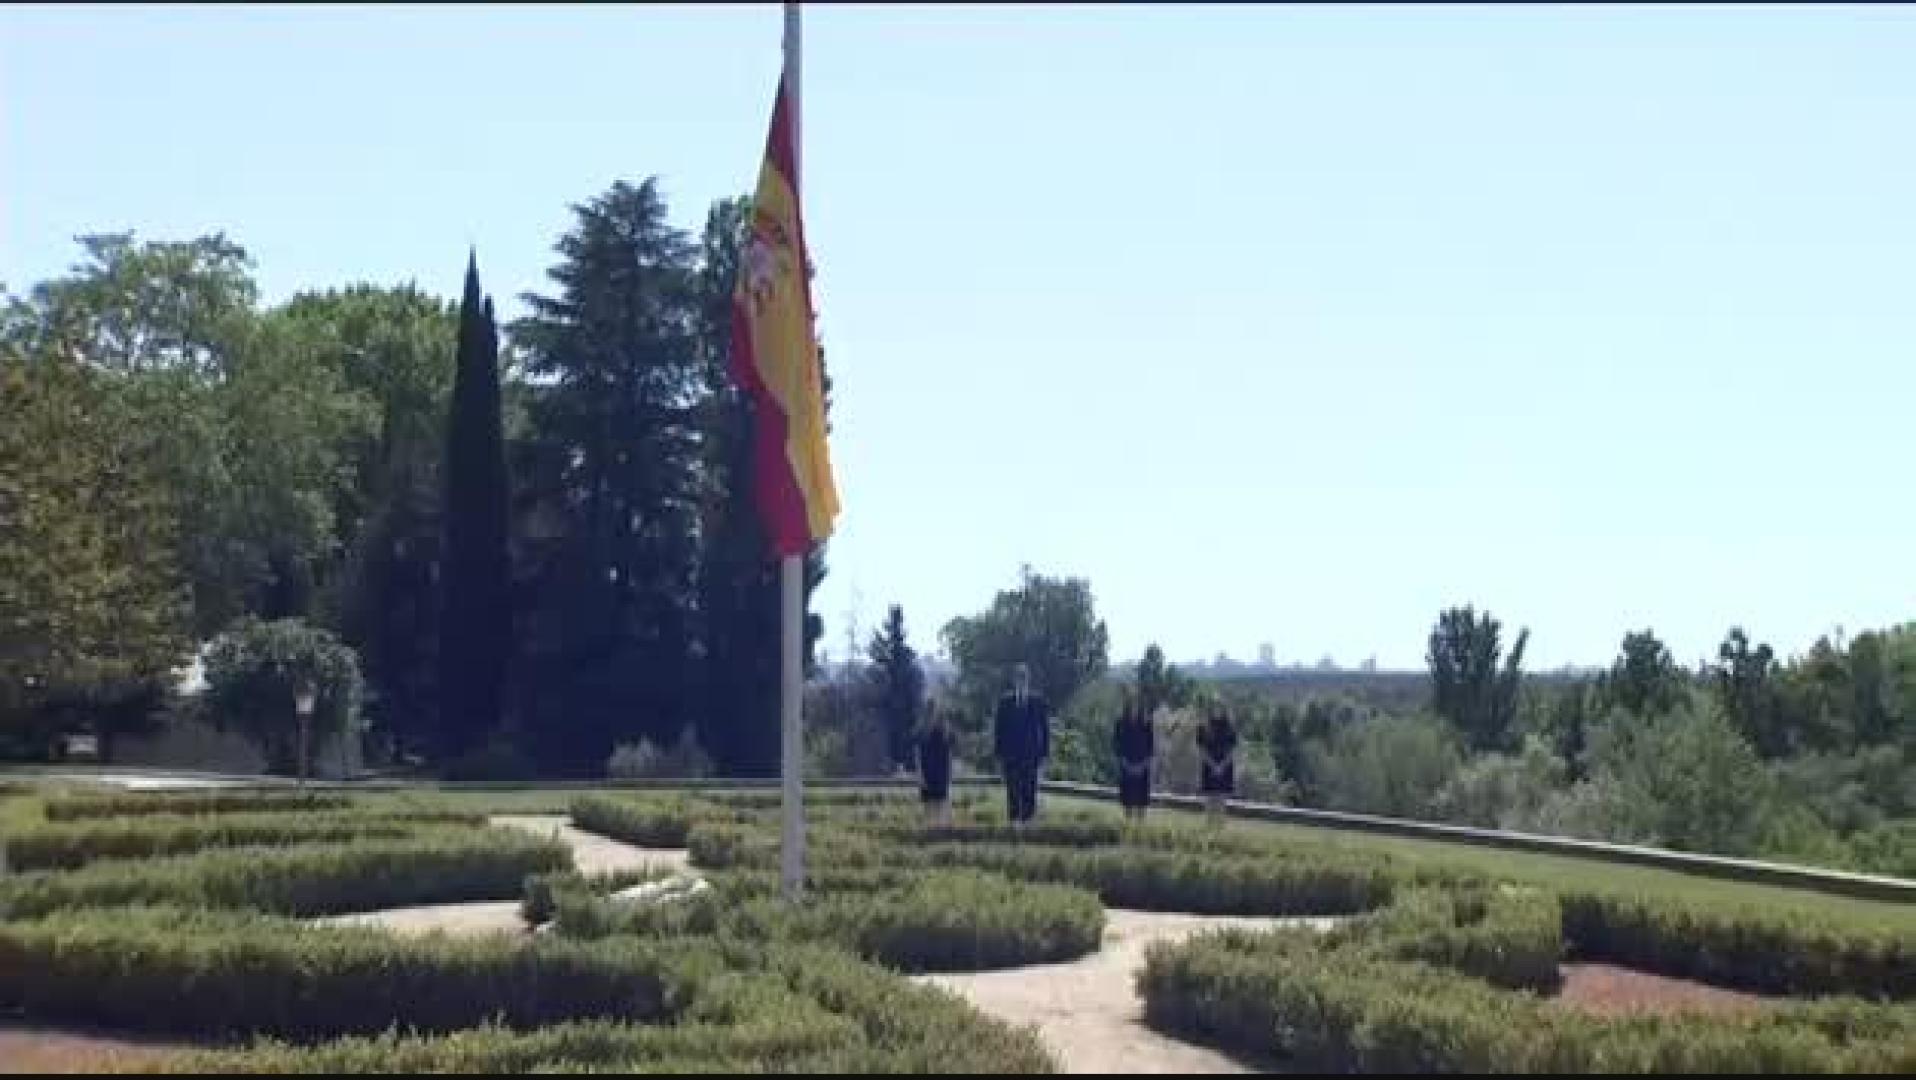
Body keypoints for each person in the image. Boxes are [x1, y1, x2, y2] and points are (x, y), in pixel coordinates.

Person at [993, 663, 1050, 830]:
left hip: (1031, 755)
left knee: (1029, 790)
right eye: (1018, 677)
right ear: (1014, 680)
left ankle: (1028, 823)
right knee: (1012, 790)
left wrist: (1045, 755)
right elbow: (998, 731)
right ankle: (1014, 825)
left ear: (1028, 680)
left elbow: (1045, 730)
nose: (1021, 681)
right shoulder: (1005, 702)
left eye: (1024, 677)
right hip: (1010, 755)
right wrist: (998, 755)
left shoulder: (1037, 701)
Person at [1113, 688, 1154, 825]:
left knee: (1141, 801)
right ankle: (1128, 827)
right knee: (1128, 800)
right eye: (1132, 702)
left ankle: (1140, 830)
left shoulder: (1147, 722)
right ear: (1128, 704)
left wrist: (1143, 765)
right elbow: (1117, 745)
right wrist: (1126, 764)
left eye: (1137, 702)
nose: (1135, 705)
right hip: (1126, 765)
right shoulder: (1120, 722)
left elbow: (1150, 747)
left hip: (1143, 766)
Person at [1196, 700, 1238, 826]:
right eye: (1215, 707)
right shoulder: (1203, 726)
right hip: (1209, 766)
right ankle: (1209, 826)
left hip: (1225, 767)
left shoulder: (1230, 726)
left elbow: (1233, 750)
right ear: (1211, 709)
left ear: (1224, 708)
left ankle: (1220, 828)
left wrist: (1222, 766)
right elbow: (1201, 749)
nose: (1217, 709)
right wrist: (1213, 765)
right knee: (1210, 798)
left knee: (1221, 799)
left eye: (1220, 707)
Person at [917, 700, 953, 828]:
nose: (933, 715)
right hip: (927, 772)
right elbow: (919, 756)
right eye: (930, 711)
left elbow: (948, 754)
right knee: (929, 805)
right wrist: (920, 775)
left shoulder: (943, 730)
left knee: (941, 803)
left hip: (941, 773)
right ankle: (931, 830)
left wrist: (949, 774)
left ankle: (941, 829)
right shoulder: (922, 732)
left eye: (934, 711)